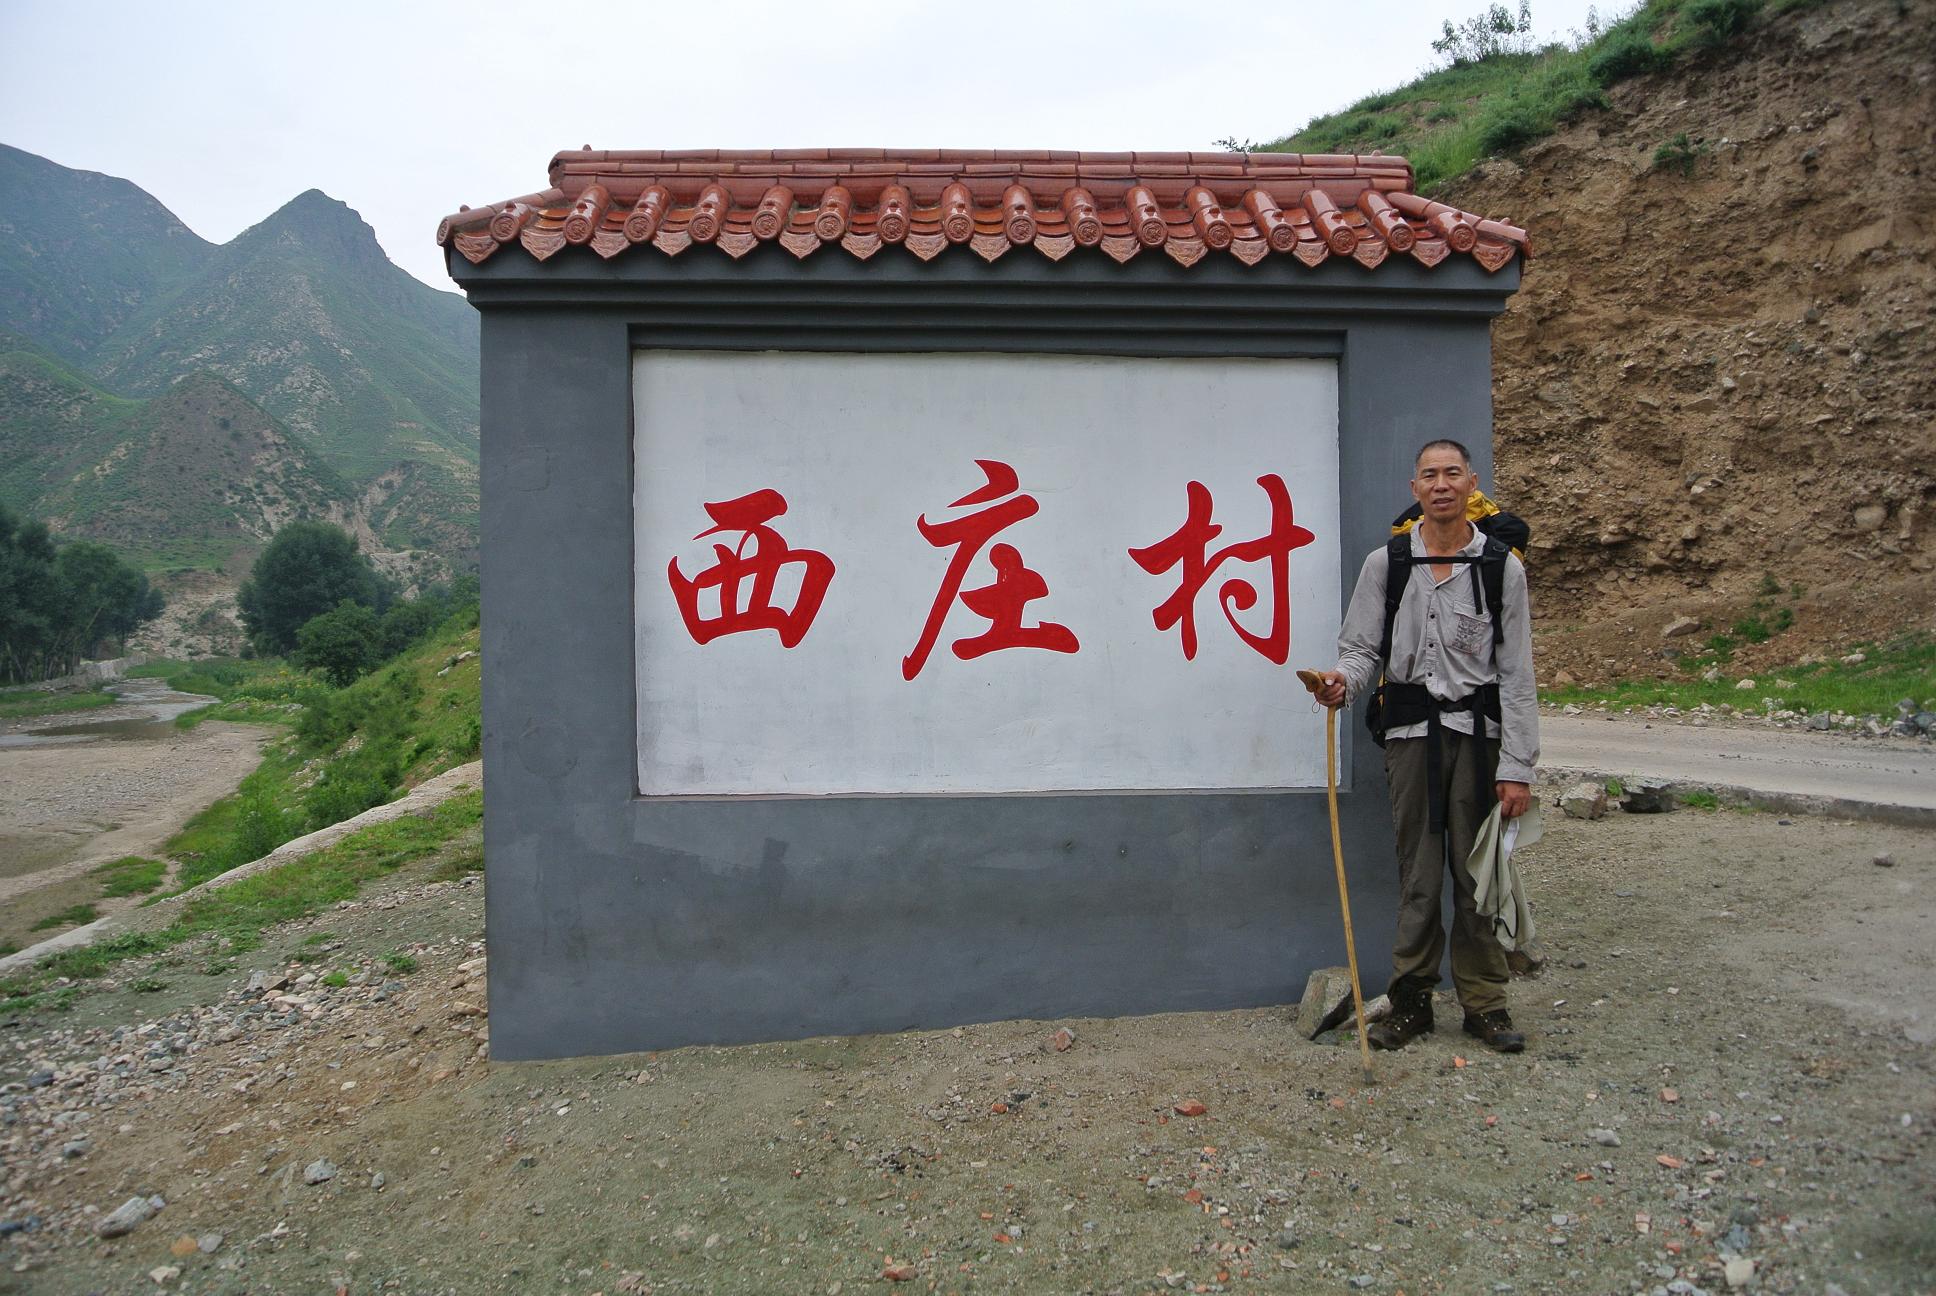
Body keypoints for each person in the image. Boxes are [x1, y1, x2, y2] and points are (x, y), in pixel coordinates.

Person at [1314, 439, 1538, 1053]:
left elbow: (1516, 673)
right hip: (1411, 737)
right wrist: (1343, 685)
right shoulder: (1386, 565)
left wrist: (1518, 767)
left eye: (1452, 474)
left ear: (1472, 485)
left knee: (1479, 875)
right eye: (1429, 475)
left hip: (1479, 739)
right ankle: (1411, 1000)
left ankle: (1485, 1003)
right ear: (1415, 489)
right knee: (1418, 872)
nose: (1441, 485)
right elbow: (1361, 651)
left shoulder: (1500, 568)